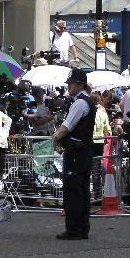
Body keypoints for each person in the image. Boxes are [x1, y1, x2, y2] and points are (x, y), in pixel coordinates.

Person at [51, 68, 96, 240]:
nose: (68, 86)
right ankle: (82, 228)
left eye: (71, 83)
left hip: (76, 153)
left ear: (79, 85)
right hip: (84, 152)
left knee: (73, 192)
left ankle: (74, 229)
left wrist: (56, 136)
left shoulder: (79, 103)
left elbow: (67, 127)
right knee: (83, 191)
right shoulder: (88, 101)